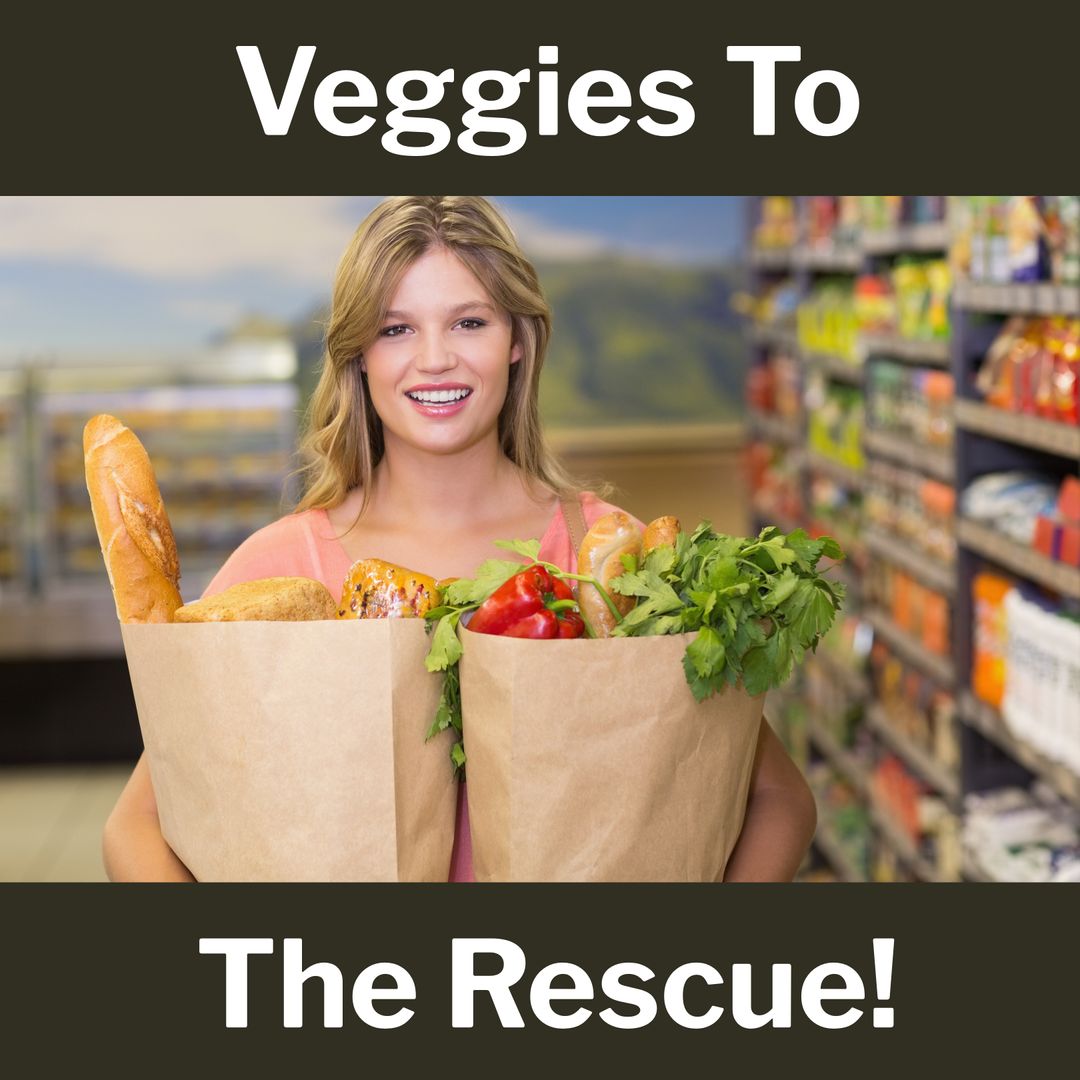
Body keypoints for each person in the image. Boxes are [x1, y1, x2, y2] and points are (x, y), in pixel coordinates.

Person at [102, 195, 816, 883]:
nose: (435, 358)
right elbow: (135, 827)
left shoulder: (609, 557)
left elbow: (778, 801)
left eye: (469, 322)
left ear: (516, 341)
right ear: (359, 357)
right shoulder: (280, 574)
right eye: (395, 329)